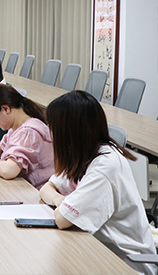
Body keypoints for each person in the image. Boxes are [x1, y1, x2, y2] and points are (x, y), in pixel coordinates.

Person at [39, 91, 155, 275]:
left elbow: (62, 220)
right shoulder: (82, 153)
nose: (50, 133)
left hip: (126, 263)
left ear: (69, 131)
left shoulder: (105, 164)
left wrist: (63, 206)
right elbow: (46, 188)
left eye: (52, 127)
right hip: (98, 249)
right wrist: (58, 200)